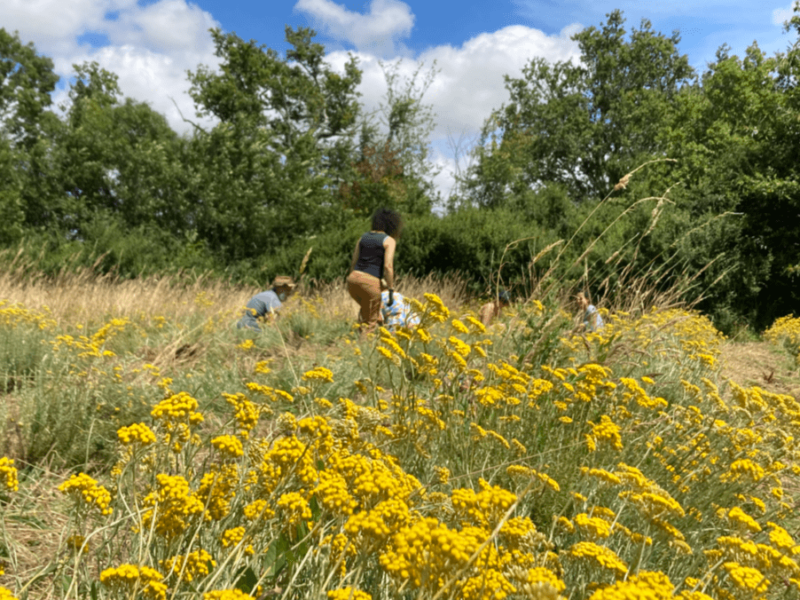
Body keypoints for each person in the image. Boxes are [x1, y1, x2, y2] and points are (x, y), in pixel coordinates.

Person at [347, 208, 402, 334]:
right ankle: (363, 350)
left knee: (368, 310)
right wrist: (391, 288)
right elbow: (388, 267)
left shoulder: (362, 238)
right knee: (369, 323)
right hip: (370, 282)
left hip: (353, 280)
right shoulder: (389, 241)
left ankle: (372, 325)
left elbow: (353, 262)